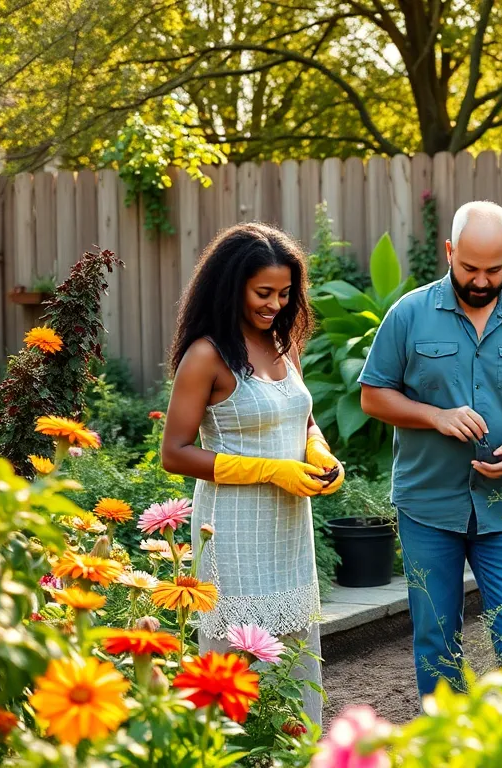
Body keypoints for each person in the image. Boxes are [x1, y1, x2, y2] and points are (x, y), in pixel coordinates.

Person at [359, 201, 502, 699]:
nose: (480, 281)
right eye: (469, 267)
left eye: (493, 270)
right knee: (435, 637)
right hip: (427, 504)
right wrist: (434, 416)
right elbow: (373, 396)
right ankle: (446, 736)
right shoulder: (408, 314)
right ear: (449, 251)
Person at [161, 223, 342, 726]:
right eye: (264, 293)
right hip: (233, 530)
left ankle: (299, 750)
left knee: (294, 656)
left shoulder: (284, 345)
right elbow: (174, 453)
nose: (276, 305)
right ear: (232, 285)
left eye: (284, 294)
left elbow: (303, 418)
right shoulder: (207, 356)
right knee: (236, 664)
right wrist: (268, 470)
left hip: (289, 529)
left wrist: (319, 450)